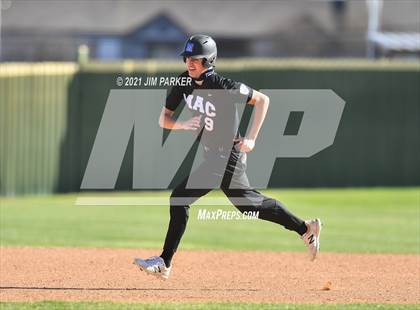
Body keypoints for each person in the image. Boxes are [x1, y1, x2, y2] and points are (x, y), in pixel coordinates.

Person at [134, 35, 321, 280]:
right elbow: (163, 119)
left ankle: (164, 262)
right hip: (214, 155)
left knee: (180, 198)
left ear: (209, 60)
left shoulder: (221, 85)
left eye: (196, 59)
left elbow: (262, 100)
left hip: (226, 155)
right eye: (187, 58)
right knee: (249, 204)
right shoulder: (183, 82)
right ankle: (305, 228)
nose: (190, 63)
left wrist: (252, 138)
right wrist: (183, 124)